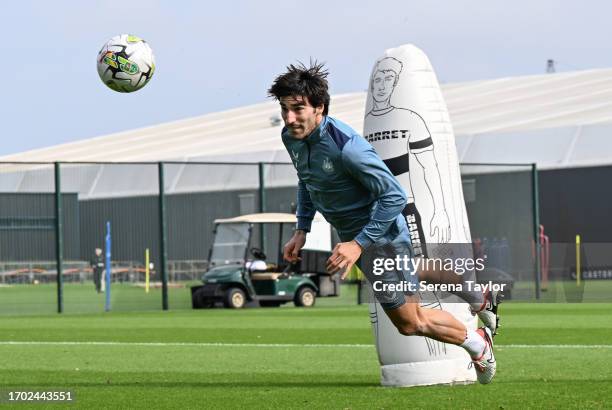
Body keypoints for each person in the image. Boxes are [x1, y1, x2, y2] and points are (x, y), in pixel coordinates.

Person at [268, 62, 498, 384]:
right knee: (415, 269)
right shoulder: (292, 136)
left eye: (297, 109)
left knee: (409, 320)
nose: (289, 118)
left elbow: (394, 196)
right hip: (359, 239)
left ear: (319, 107)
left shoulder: (347, 148)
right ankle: (479, 297)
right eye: (284, 109)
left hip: (382, 238)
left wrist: (356, 244)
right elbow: (307, 179)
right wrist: (301, 229)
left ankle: (478, 344)